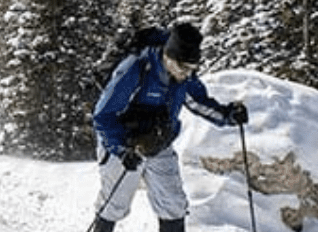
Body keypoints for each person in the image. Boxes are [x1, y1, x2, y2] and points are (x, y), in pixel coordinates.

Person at [89, 22, 248, 232]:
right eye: (183, 68)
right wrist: (120, 149)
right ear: (168, 57)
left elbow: (198, 101)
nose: (188, 74)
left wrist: (228, 116)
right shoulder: (136, 68)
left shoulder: (183, 76)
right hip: (125, 146)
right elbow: (102, 115)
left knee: (174, 206)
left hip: (159, 144)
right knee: (114, 206)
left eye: (193, 69)